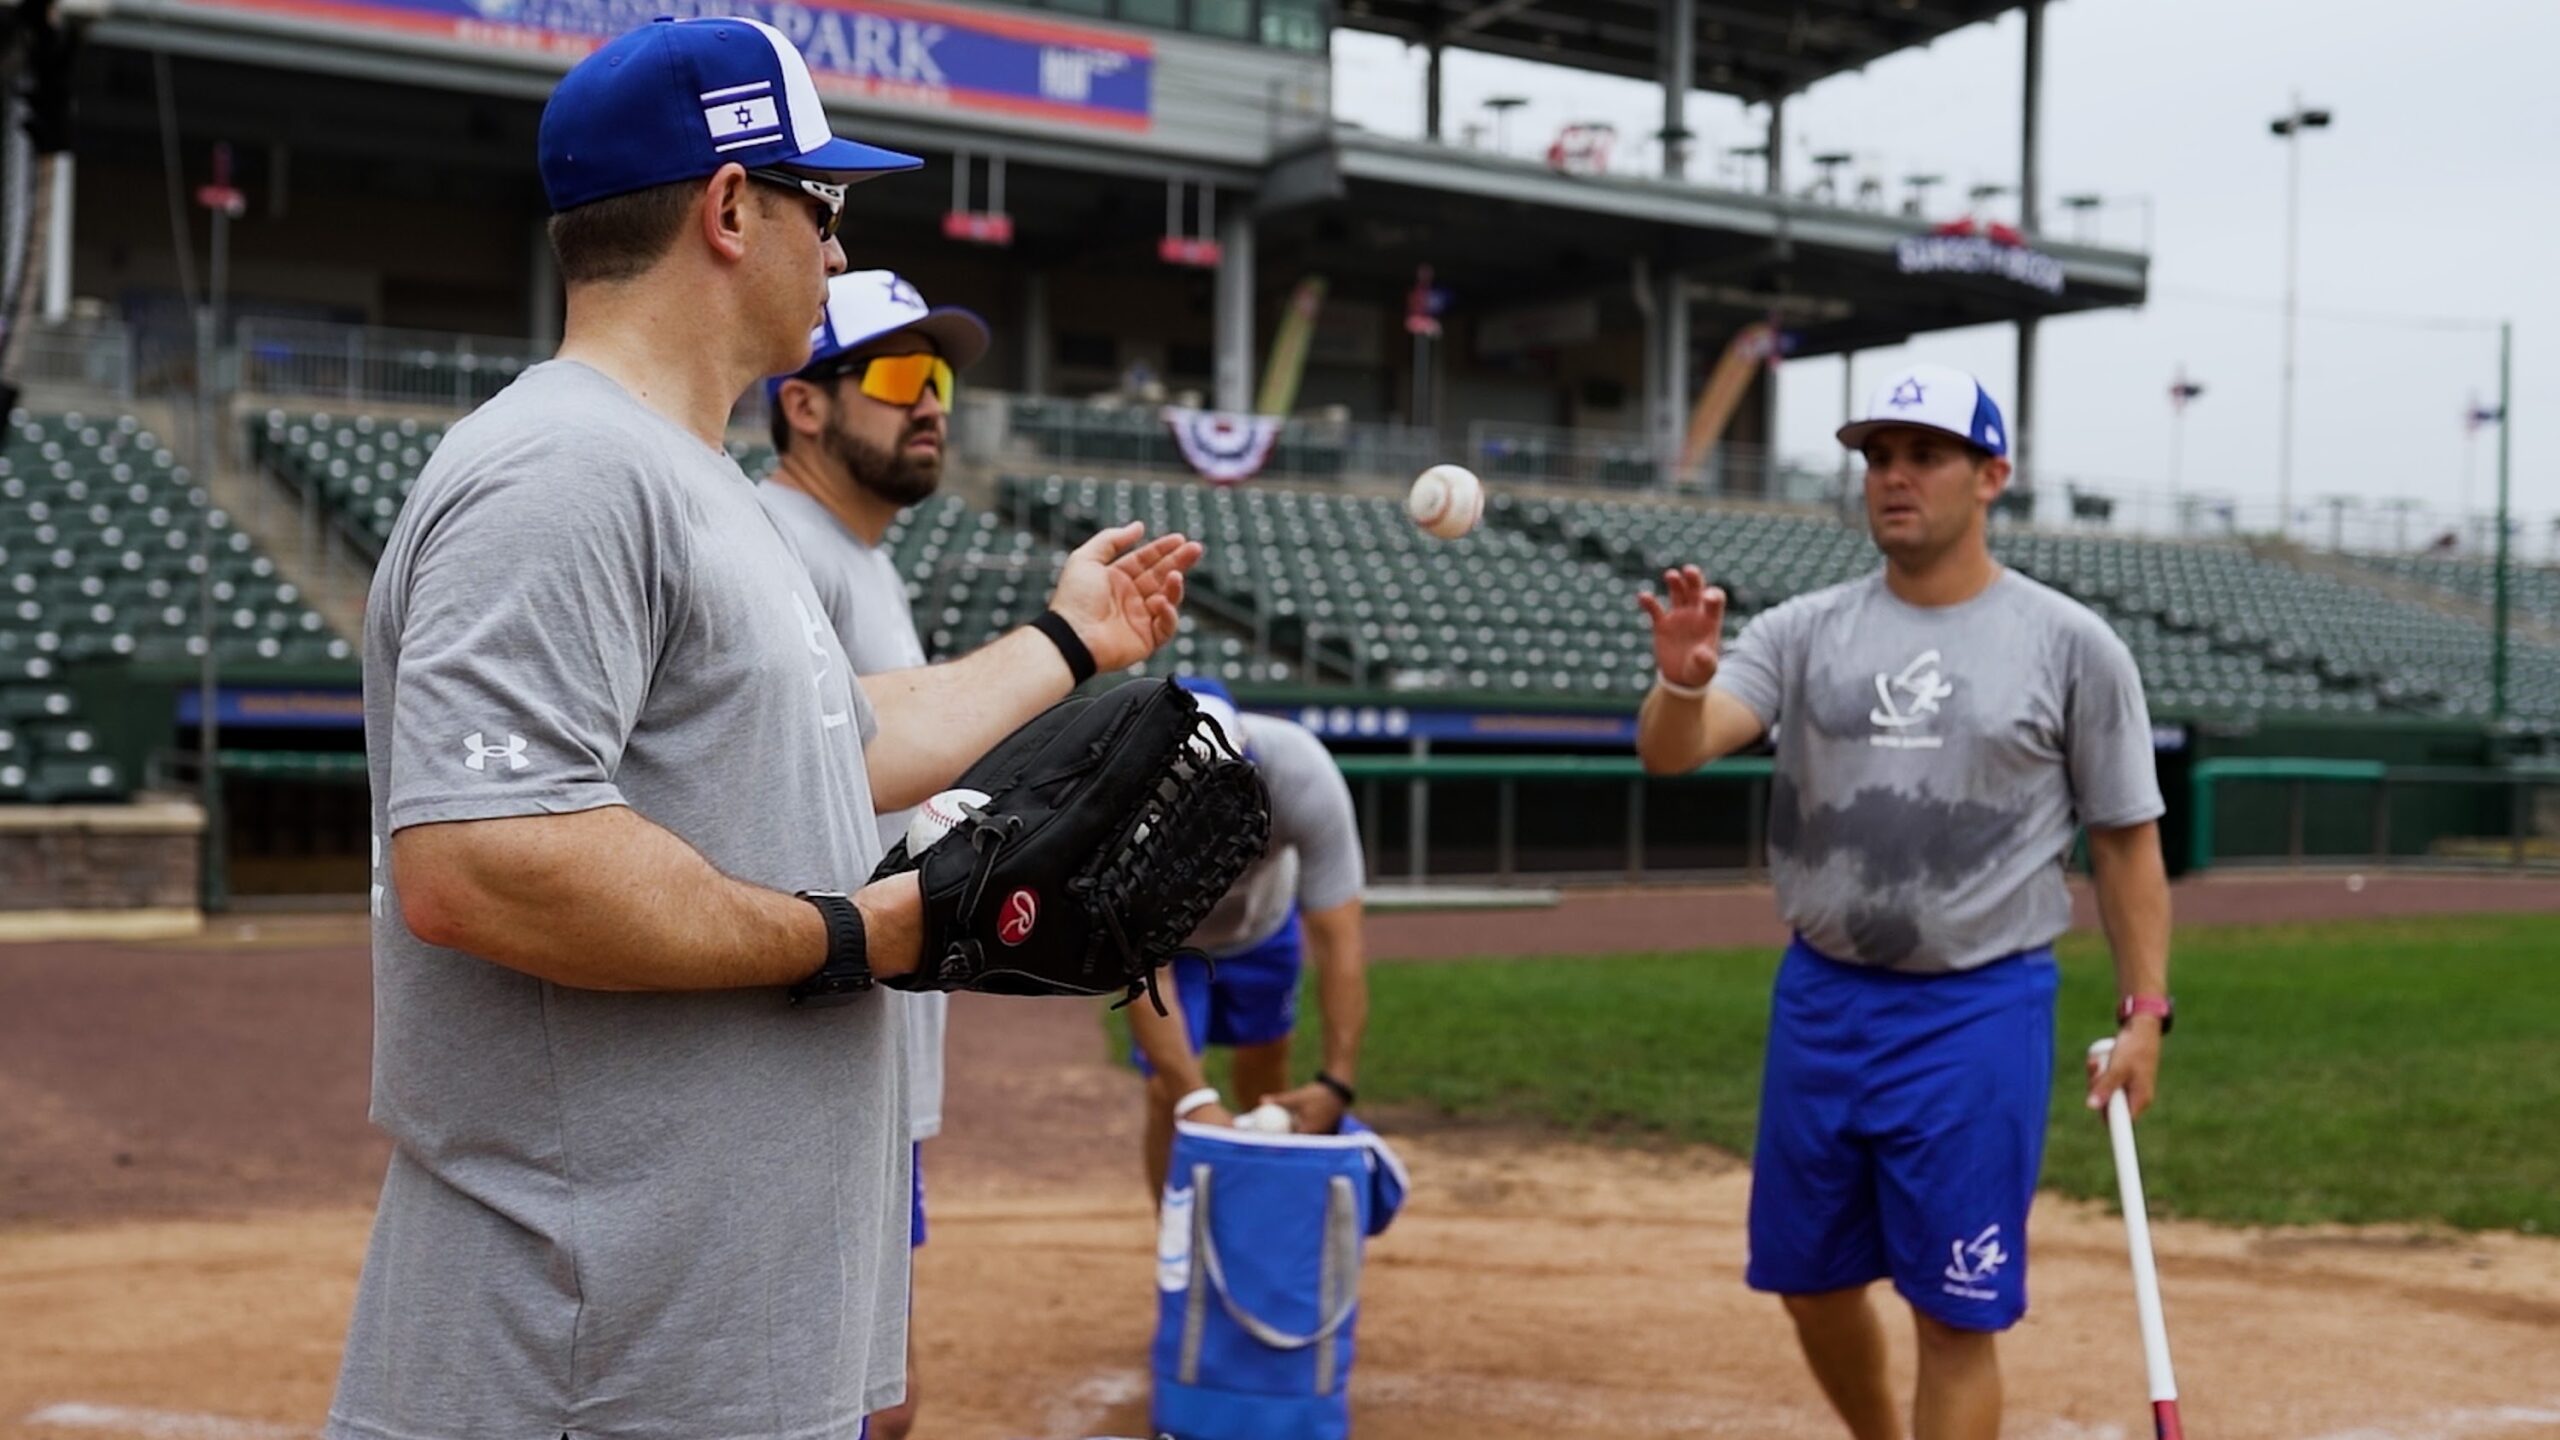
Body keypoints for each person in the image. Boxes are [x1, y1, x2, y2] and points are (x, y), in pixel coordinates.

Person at [329, 19, 1199, 1440]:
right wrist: (862, 931)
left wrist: (1066, 645)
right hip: (586, 1358)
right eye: (826, 205)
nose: (840, 253)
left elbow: (832, 743)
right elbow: (478, 861)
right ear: (731, 207)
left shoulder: (693, 481)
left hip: (685, 1338)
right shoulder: (562, 467)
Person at [1633, 363, 2173, 1440]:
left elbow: (2123, 842)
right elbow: (1674, 755)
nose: (1892, 477)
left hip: (1978, 1008)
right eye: (1877, 457)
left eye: (1923, 455)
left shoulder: (2071, 645)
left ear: (1991, 476)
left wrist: (2144, 1014)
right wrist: (1682, 681)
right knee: (1808, 1281)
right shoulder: (1800, 632)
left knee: (1953, 1310)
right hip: (1823, 1001)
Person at [756, 266, 991, 1440]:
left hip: (871, 1031)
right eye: (902, 376)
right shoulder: (780, 542)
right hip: (816, 1033)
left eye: (939, 378)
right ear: (806, 402)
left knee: (872, 1397)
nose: (933, 402)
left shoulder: (857, 555)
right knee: (835, 1401)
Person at [1126, 678, 1368, 1198]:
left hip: (1263, 927)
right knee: (1166, 1094)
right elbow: (1146, 972)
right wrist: (1195, 1100)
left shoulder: (1300, 771)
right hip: (1170, 945)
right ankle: (1178, 1245)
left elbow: (1339, 940)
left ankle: (1260, 1221)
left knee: (1268, 1083)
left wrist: (1336, 1082)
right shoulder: (1119, 809)